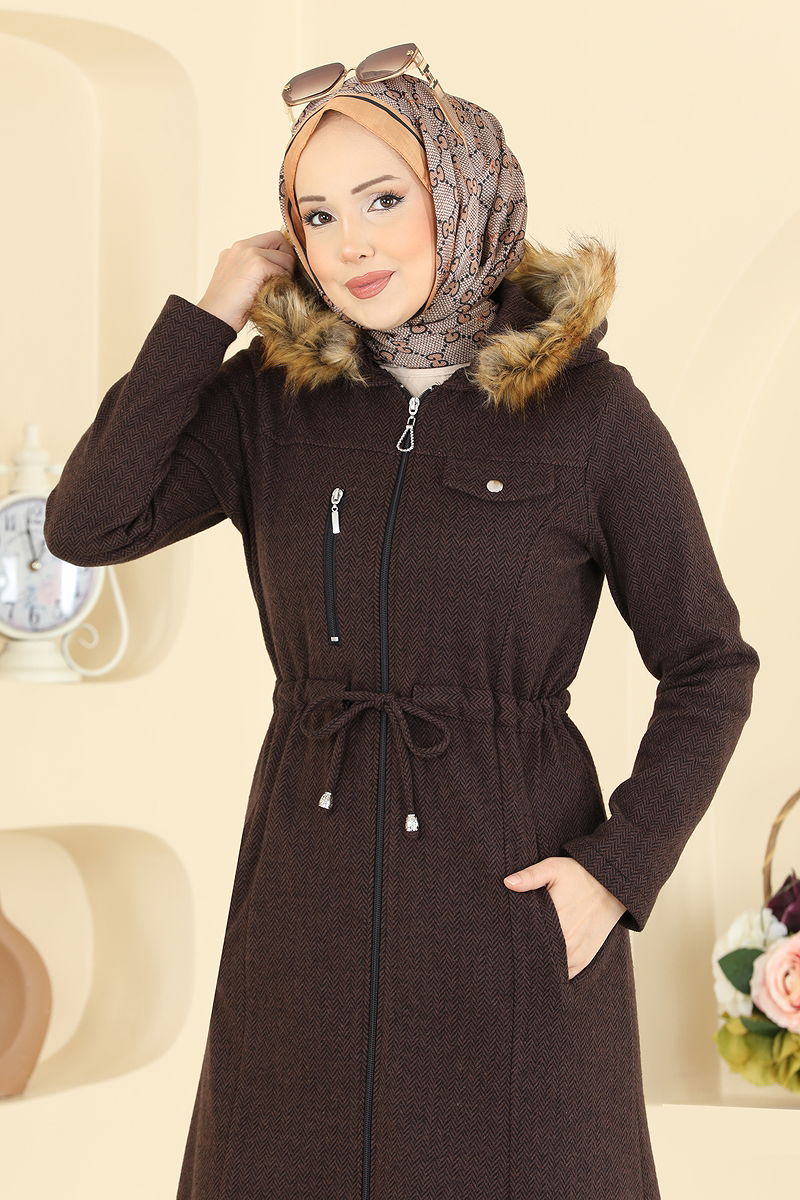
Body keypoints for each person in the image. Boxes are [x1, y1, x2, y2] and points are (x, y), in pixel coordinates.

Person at [43, 53, 760, 1200]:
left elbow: (707, 664)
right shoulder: (272, 399)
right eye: (316, 214)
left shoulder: (589, 415)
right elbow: (89, 522)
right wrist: (209, 312)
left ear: (463, 192)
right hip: (305, 900)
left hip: (508, 906)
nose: (350, 244)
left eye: (382, 198)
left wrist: (613, 873)